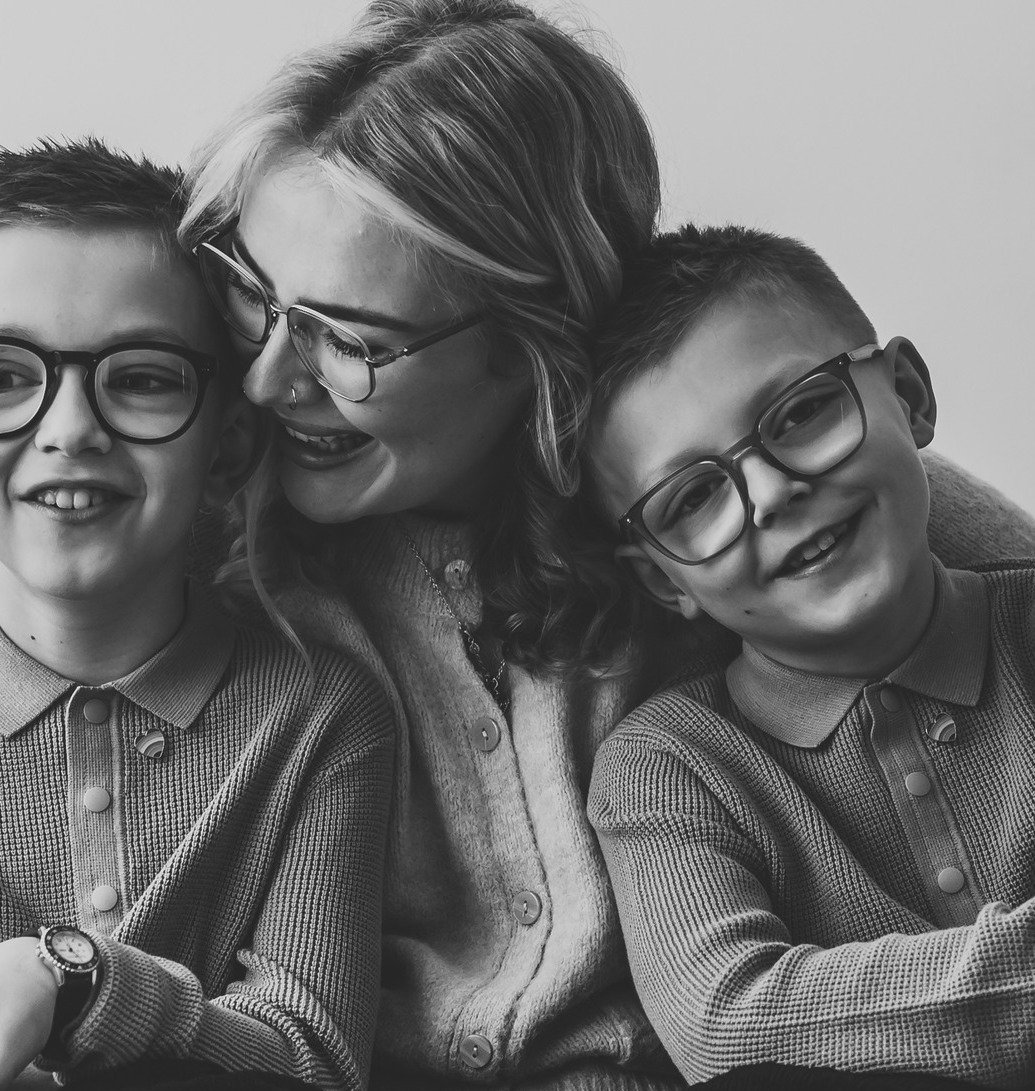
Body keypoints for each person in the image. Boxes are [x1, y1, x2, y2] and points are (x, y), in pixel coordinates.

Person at [180, 2, 1035, 1087]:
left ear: (528, 341)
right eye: (255, 296)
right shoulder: (223, 553)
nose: (268, 377)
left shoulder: (750, 494)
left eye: (350, 338)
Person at [0, 140, 392, 1091]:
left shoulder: (320, 711)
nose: (68, 429)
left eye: (142, 376)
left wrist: (62, 979)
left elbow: (311, 1058)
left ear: (227, 444)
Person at [583, 225, 1035, 1088]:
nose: (772, 492)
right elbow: (728, 1029)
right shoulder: (667, 769)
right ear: (661, 580)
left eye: (800, 412)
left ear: (907, 394)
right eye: (694, 497)